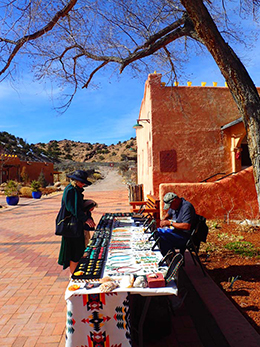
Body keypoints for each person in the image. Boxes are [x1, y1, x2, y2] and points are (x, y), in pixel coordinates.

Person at [58, 170, 96, 276]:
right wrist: (86, 219)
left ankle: (76, 272)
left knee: (79, 249)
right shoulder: (71, 190)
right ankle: (74, 275)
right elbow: (73, 209)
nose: (83, 184)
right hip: (71, 227)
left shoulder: (76, 190)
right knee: (74, 251)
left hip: (76, 225)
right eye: (81, 181)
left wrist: (88, 204)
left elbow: (77, 205)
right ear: (76, 180)